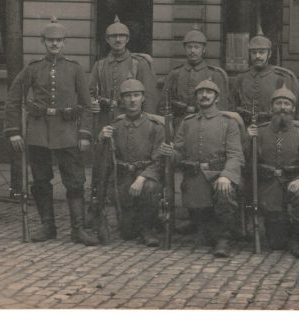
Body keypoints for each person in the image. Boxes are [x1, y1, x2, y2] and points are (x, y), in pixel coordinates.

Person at [3, 16, 98, 245]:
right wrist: (14, 131)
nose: (54, 44)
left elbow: (87, 105)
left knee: (75, 181)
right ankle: (48, 227)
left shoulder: (75, 69)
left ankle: (78, 229)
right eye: (50, 40)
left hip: (67, 132)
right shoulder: (33, 68)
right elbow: (13, 99)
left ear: (65, 42)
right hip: (38, 133)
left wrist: (84, 134)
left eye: (59, 40)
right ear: (43, 42)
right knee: (41, 181)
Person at [159, 79, 244, 257]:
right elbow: (180, 153)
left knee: (225, 193)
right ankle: (209, 229)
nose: (204, 95)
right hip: (195, 177)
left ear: (217, 97)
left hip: (218, 174)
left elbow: (236, 155)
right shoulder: (188, 122)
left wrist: (227, 175)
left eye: (209, 92)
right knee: (204, 235)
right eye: (200, 92)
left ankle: (224, 239)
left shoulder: (228, 122)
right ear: (196, 97)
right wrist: (170, 152)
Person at [87, 16, 157, 225]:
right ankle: (95, 208)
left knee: (131, 164)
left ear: (127, 39)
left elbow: (150, 97)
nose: (118, 40)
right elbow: (88, 93)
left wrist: (150, 125)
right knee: (101, 167)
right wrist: (93, 103)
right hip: (107, 121)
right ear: (107, 40)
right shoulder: (100, 66)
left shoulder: (138, 64)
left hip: (133, 121)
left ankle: (136, 209)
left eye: (121, 36)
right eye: (113, 36)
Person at [249, 86, 299, 258]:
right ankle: (284, 234)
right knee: (276, 244)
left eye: (287, 104)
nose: (283, 107)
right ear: (271, 108)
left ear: (293, 108)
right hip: (269, 182)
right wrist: (249, 141)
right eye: (278, 103)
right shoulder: (261, 131)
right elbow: (249, 162)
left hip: (295, 180)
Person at [97, 79, 165, 246]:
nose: (132, 100)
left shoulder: (155, 126)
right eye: (128, 96)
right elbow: (103, 159)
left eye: (136, 95)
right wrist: (101, 138)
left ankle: (148, 228)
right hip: (123, 177)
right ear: (122, 100)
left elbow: (159, 160)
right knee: (127, 233)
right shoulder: (116, 125)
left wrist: (142, 178)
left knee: (150, 189)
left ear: (143, 98)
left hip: (147, 177)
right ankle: (140, 221)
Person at [162, 24, 230, 129]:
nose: (192, 51)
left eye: (196, 47)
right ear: (185, 49)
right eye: (189, 47)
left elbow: (222, 108)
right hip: (180, 125)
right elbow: (164, 105)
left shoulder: (214, 74)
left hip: (207, 125)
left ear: (203, 50)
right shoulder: (175, 74)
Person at [231, 24, 298, 126]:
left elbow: (289, 111)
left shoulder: (281, 78)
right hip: (245, 128)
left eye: (262, 52)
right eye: (254, 52)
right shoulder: (241, 78)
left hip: (272, 128)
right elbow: (232, 106)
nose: (257, 56)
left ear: (269, 54)